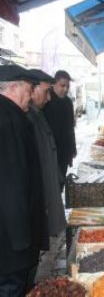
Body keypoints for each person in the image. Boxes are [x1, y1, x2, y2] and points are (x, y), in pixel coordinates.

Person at [0, 65, 48, 297]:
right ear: (13, 87)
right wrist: (23, 241)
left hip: (11, 238)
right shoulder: (9, 120)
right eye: (29, 89)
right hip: (11, 242)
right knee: (12, 288)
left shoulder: (11, 115)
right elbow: (11, 182)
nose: (31, 95)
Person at [27, 69, 66, 236]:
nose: (48, 98)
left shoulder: (37, 114)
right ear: (32, 90)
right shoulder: (27, 118)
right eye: (46, 92)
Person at [43, 70, 76, 190]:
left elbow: (70, 127)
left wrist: (72, 149)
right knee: (51, 184)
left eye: (67, 86)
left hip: (64, 150)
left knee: (60, 182)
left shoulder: (68, 102)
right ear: (53, 84)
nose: (65, 89)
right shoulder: (46, 100)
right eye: (62, 86)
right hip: (50, 150)